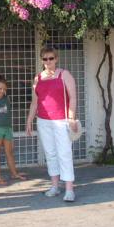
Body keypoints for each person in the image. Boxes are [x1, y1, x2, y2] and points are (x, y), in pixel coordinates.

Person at [25, 46, 78, 202]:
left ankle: (69, 189)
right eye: (45, 59)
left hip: (61, 120)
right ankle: (55, 186)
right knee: (50, 153)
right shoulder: (38, 78)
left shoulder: (64, 75)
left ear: (56, 59)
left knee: (64, 153)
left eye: (51, 58)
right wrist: (29, 120)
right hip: (43, 121)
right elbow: (35, 103)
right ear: (42, 60)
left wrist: (72, 117)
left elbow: (73, 97)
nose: (48, 62)